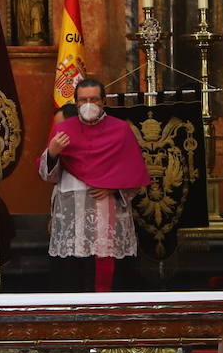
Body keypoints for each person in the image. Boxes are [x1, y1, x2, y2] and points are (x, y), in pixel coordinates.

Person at [38, 77, 149, 292]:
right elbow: (49, 177)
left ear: (103, 101)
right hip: (73, 218)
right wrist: (52, 152)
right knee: (72, 279)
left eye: (94, 99)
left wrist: (113, 187)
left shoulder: (120, 130)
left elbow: (134, 175)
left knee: (108, 278)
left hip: (107, 217)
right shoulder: (64, 130)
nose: (88, 104)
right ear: (76, 102)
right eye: (83, 100)